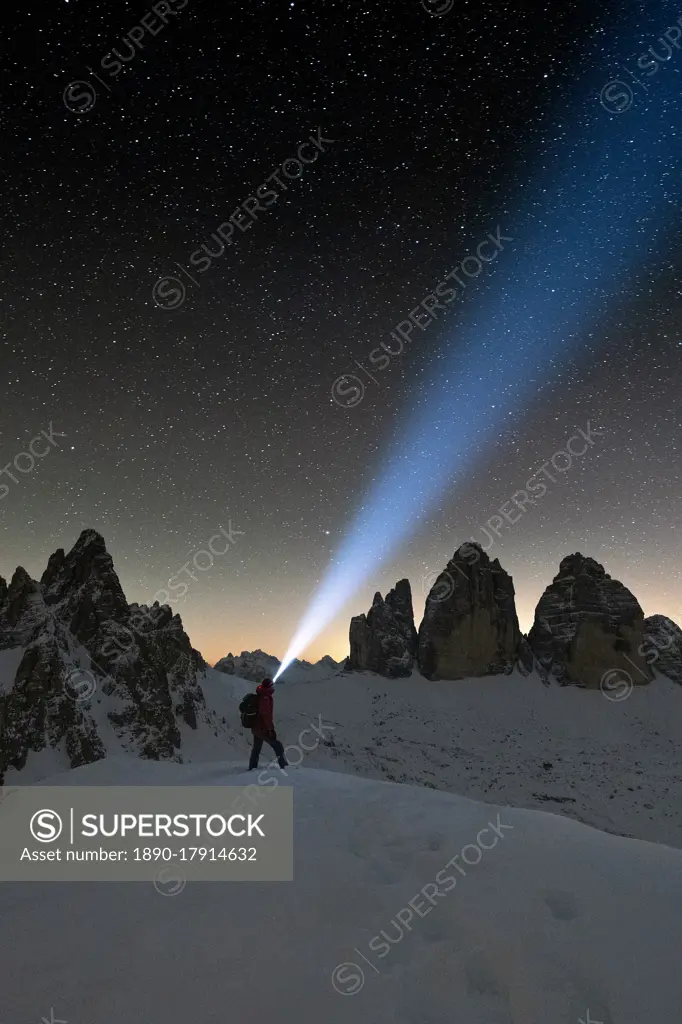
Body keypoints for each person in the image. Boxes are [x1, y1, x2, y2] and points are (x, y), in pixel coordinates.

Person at [248, 677, 288, 771]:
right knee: (277, 745)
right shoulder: (265, 697)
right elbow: (266, 715)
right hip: (263, 728)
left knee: (256, 748)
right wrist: (270, 729)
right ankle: (284, 766)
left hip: (256, 727)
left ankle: (252, 767)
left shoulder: (261, 694)